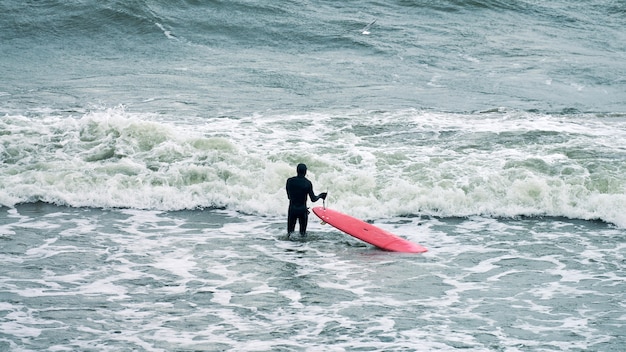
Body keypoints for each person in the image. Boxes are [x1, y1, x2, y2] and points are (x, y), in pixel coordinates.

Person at [286, 163, 327, 238]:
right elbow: (313, 199)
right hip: (302, 210)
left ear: (297, 171)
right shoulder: (307, 183)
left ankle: (289, 248)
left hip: (292, 209)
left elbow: (289, 196)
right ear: (305, 172)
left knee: (289, 234)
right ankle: (302, 248)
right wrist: (321, 195)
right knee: (303, 235)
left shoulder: (289, 181)